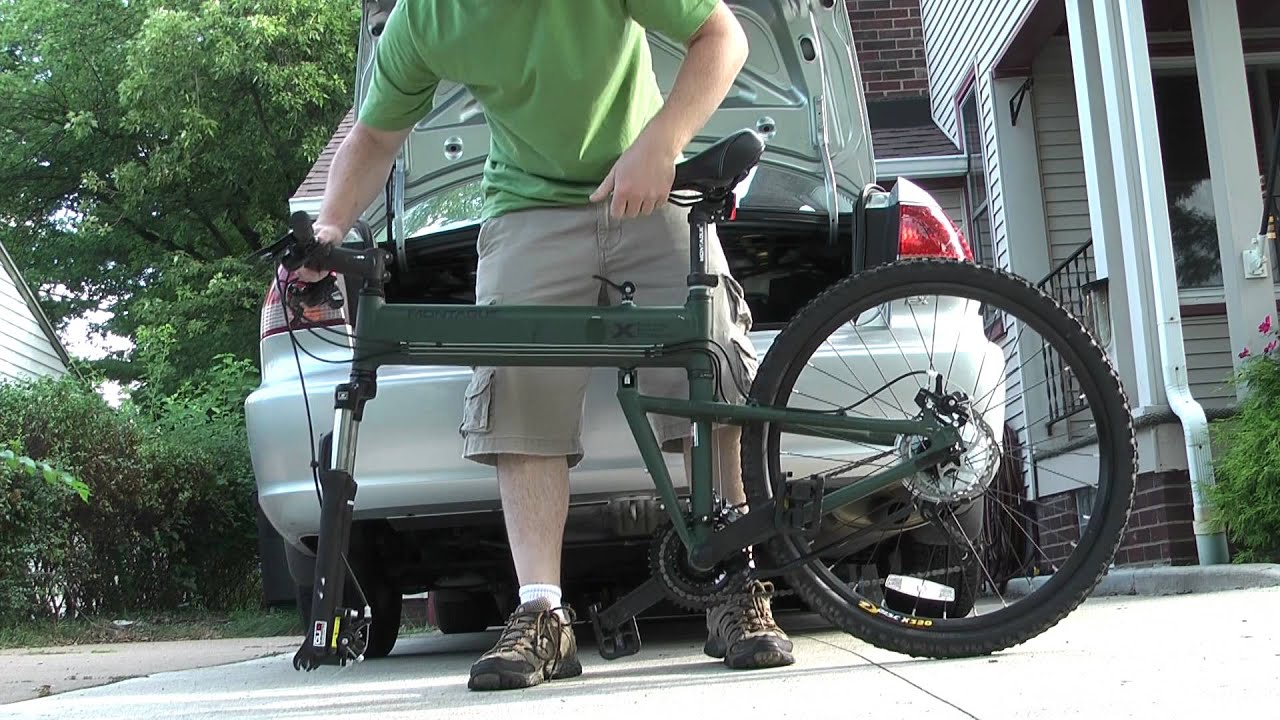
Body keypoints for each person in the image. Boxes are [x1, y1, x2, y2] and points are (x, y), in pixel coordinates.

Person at [295, 0, 795, 691]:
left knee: (707, 366)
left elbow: (722, 35)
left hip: (652, 188)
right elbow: (376, 135)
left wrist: (661, 142)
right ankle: (541, 613)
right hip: (526, 206)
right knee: (517, 391)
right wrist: (328, 224)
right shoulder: (425, 17)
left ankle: (735, 584)